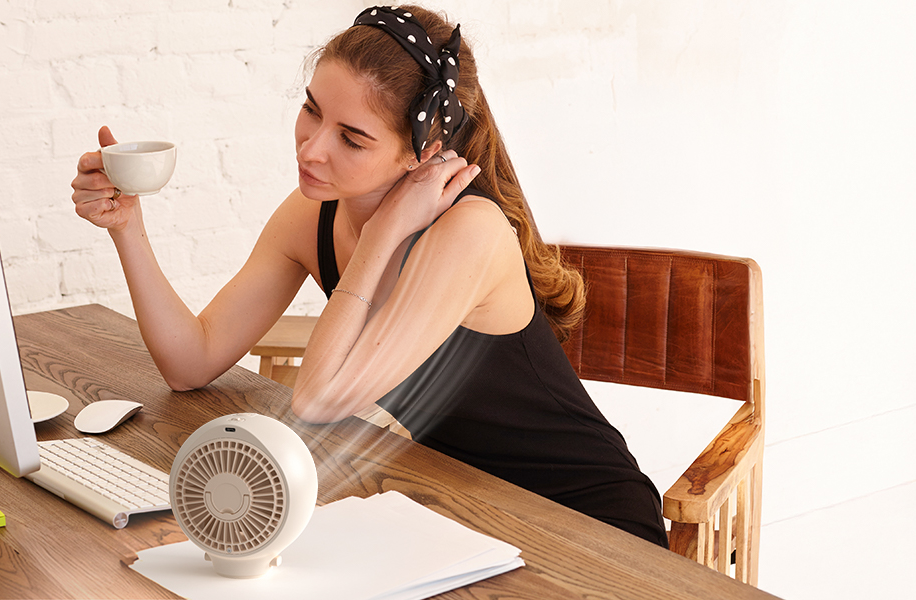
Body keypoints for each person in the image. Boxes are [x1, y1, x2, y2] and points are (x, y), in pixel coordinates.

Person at [69, 5, 668, 547]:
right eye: (311, 110)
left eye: (351, 138)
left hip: (588, 525)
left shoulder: (470, 232)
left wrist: (381, 235)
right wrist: (128, 229)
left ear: (422, 151)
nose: (311, 149)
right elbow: (190, 361)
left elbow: (320, 397)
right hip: (462, 505)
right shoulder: (311, 216)